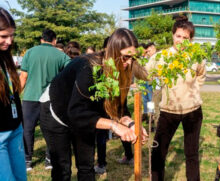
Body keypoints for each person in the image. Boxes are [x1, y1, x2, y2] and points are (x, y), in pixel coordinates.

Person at [39, 28, 148, 181]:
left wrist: (130, 124)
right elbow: (76, 112)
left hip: (85, 115)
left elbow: (119, 108)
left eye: (133, 58)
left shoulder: (121, 71)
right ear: (113, 52)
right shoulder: (88, 67)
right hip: (56, 112)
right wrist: (114, 126)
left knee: (86, 166)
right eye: (125, 57)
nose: (129, 62)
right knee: (62, 169)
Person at [146, 17, 206, 181]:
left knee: (192, 154)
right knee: (158, 152)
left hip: (192, 111)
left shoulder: (196, 56)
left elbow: (201, 75)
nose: (181, 40)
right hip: (168, 110)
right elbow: (146, 74)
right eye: (178, 36)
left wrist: (193, 90)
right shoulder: (161, 57)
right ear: (173, 35)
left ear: (190, 40)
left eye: (185, 38)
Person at [19, 29, 70, 171]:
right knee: (50, 129)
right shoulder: (60, 55)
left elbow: (23, 77)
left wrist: (16, 96)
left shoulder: (30, 52)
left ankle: (27, 160)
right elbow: (70, 73)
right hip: (51, 98)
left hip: (30, 97)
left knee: (28, 130)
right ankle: (49, 160)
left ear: (41, 39)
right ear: (54, 41)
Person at [94, 36, 135, 175]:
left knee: (125, 127)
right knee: (101, 133)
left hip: (118, 103)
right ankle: (101, 163)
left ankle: (129, 155)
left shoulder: (123, 66)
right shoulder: (99, 67)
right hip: (103, 104)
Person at [0, 7, 27, 181]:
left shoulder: (5, 57)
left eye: (12, 35)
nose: (9, 41)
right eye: (3, 36)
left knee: (20, 178)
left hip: (15, 129)